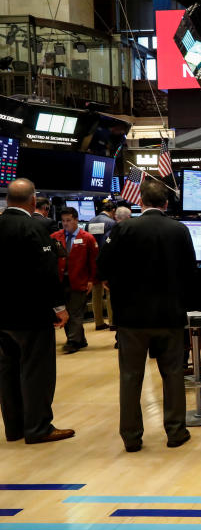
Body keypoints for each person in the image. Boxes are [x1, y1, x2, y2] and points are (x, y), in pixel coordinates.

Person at [97, 179, 195, 452]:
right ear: (165, 203)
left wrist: (112, 283)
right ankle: (176, 432)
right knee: (173, 375)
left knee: (130, 377)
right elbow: (191, 271)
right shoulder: (179, 230)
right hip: (170, 316)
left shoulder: (124, 228)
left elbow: (102, 266)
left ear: (141, 203)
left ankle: (131, 437)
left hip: (131, 318)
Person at [0, 179, 74, 444]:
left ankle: (14, 428)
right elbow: (46, 272)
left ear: (8, 199)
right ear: (33, 201)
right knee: (36, 370)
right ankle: (38, 427)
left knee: (7, 371)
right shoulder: (35, 226)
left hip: (2, 315)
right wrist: (60, 308)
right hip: (30, 314)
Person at [51, 207, 98, 354]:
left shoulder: (87, 238)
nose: (65, 224)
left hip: (80, 280)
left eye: (69, 220)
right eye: (63, 221)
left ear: (76, 220)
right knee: (65, 311)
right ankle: (80, 339)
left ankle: (73, 341)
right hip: (60, 281)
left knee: (75, 312)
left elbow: (94, 261)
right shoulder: (55, 237)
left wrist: (92, 280)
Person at [86, 202, 116, 330]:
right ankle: (113, 322)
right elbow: (108, 245)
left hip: (92, 261)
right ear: (113, 210)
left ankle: (98, 322)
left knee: (96, 292)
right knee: (109, 292)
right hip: (105, 261)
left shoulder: (90, 222)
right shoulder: (111, 223)